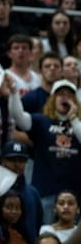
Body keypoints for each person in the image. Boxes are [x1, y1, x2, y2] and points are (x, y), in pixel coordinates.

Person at [8, 78, 81, 223]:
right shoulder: (41, 121)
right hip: (45, 191)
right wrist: (14, 93)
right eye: (60, 94)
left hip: (75, 194)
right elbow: (18, 117)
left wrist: (73, 118)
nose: (65, 98)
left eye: (69, 95)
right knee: (45, 235)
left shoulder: (78, 124)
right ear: (53, 99)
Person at [0, 141, 43, 244]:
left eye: (21, 160)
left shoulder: (33, 193)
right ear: (2, 161)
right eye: (12, 160)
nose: (17, 165)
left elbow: (36, 227)